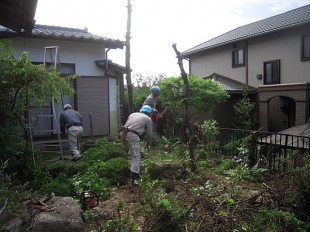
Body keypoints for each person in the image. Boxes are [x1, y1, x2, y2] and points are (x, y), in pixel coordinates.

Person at [123, 105, 154, 183]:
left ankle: (129, 170)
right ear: (149, 113)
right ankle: (134, 177)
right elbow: (149, 134)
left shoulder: (132, 114)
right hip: (132, 135)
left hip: (124, 134)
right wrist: (148, 144)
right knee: (136, 156)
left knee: (131, 154)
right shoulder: (148, 119)